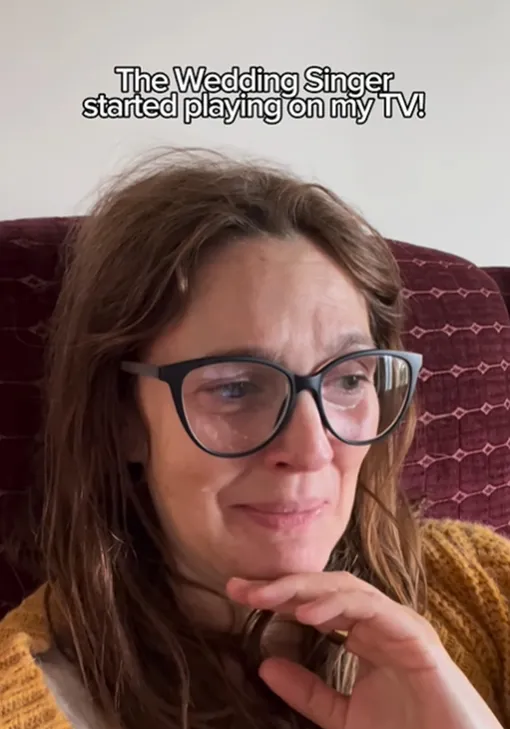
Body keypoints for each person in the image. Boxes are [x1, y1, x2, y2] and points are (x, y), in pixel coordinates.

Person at [0, 149, 509, 729]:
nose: (313, 449)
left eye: (348, 379)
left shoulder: (486, 588)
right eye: (236, 388)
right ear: (123, 420)